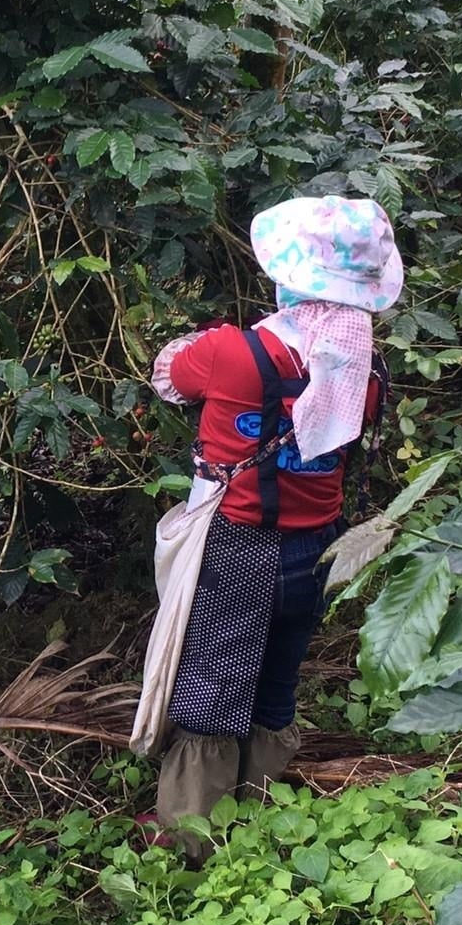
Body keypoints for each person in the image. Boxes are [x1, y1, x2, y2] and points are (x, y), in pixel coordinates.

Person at [147, 196, 401, 862]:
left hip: (238, 546)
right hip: (317, 547)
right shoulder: (364, 372)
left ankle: (192, 840)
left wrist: (206, 339)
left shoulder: (231, 353)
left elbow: (169, 376)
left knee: (213, 682)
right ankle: (258, 817)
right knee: (278, 680)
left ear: (289, 280)